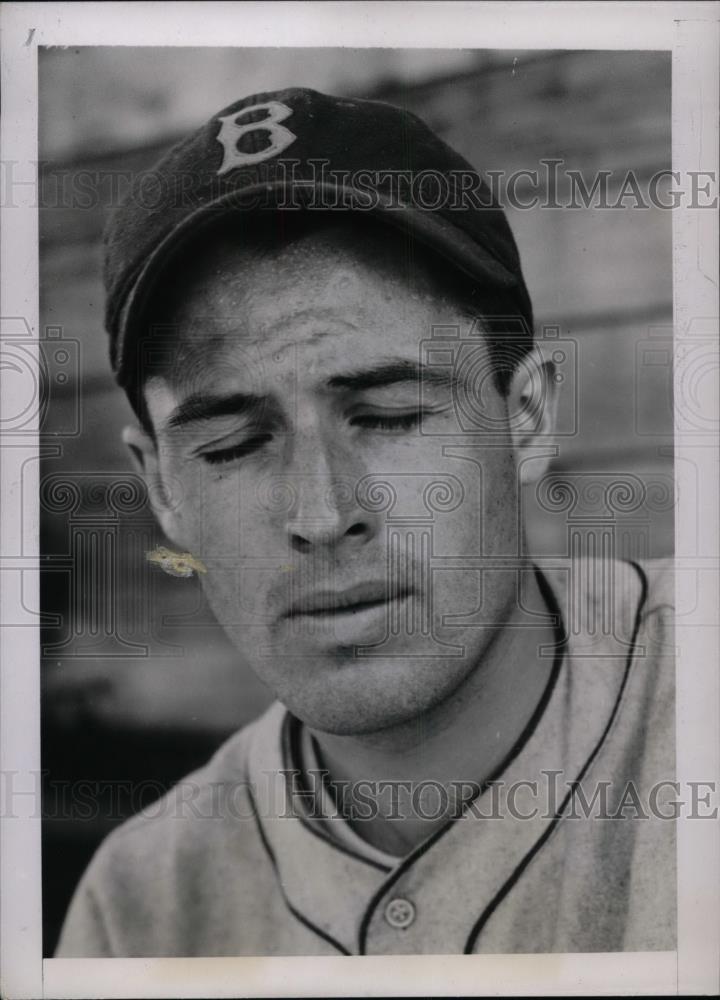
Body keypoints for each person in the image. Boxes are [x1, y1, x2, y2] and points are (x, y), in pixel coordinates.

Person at [56, 87, 675, 957]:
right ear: (162, 488)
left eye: (388, 415)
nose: (322, 512)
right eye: (234, 444)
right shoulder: (138, 910)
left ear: (526, 415)